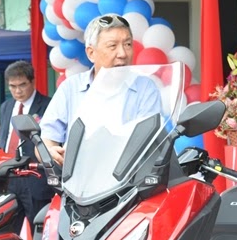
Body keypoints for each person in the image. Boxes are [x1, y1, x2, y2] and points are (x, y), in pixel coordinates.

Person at [40, 14, 163, 165]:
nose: (123, 54)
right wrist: (50, 151)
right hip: (77, 182)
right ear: (91, 53)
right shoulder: (70, 88)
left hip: (128, 182)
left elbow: (150, 141)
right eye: (113, 46)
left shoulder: (145, 88)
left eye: (128, 44)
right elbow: (46, 139)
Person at [0, 61, 53, 226]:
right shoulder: (6, 106)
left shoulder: (48, 105)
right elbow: (4, 137)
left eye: (22, 85)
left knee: (38, 227)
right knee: (9, 227)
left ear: (32, 82)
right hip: (9, 176)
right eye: (12, 86)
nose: (17, 91)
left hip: (35, 176)